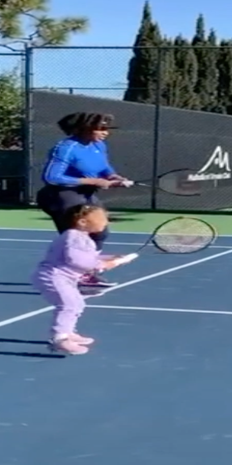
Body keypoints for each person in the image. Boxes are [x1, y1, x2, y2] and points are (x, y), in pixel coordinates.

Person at [36, 111, 130, 290]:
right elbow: (52, 177)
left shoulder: (99, 145)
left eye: (107, 129)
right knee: (78, 240)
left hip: (85, 195)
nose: (105, 132)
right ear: (85, 129)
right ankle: (69, 274)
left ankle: (85, 271)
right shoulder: (65, 148)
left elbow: (104, 167)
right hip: (61, 195)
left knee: (100, 231)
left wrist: (113, 176)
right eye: (100, 129)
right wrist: (94, 181)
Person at [31, 204, 136, 355]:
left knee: (77, 303)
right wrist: (104, 265)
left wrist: (111, 258)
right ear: (82, 222)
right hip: (53, 277)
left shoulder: (80, 238)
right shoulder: (74, 237)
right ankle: (60, 339)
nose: (105, 222)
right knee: (68, 305)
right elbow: (77, 260)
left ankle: (68, 332)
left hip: (64, 278)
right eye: (101, 218)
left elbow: (87, 257)